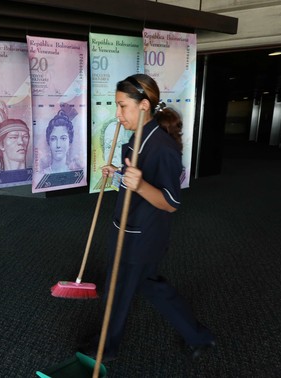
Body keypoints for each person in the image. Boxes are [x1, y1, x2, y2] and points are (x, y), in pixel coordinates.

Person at [80, 74, 215, 362]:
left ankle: (106, 348)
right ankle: (198, 336)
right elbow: (136, 181)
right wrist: (117, 173)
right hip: (126, 227)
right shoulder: (137, 138)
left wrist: (138, 184)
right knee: (146, 285)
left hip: (145, 236)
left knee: (121, 288)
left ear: (143, 105)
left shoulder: (163, 148)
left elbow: (170, 202)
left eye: (122, 106)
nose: (117, 115)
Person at [43, 109, 78, 174]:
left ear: (69, 143)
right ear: (48, 143)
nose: (58, 145)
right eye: (53, 139)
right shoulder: (41, 174)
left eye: (63, 138)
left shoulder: (75, 174)